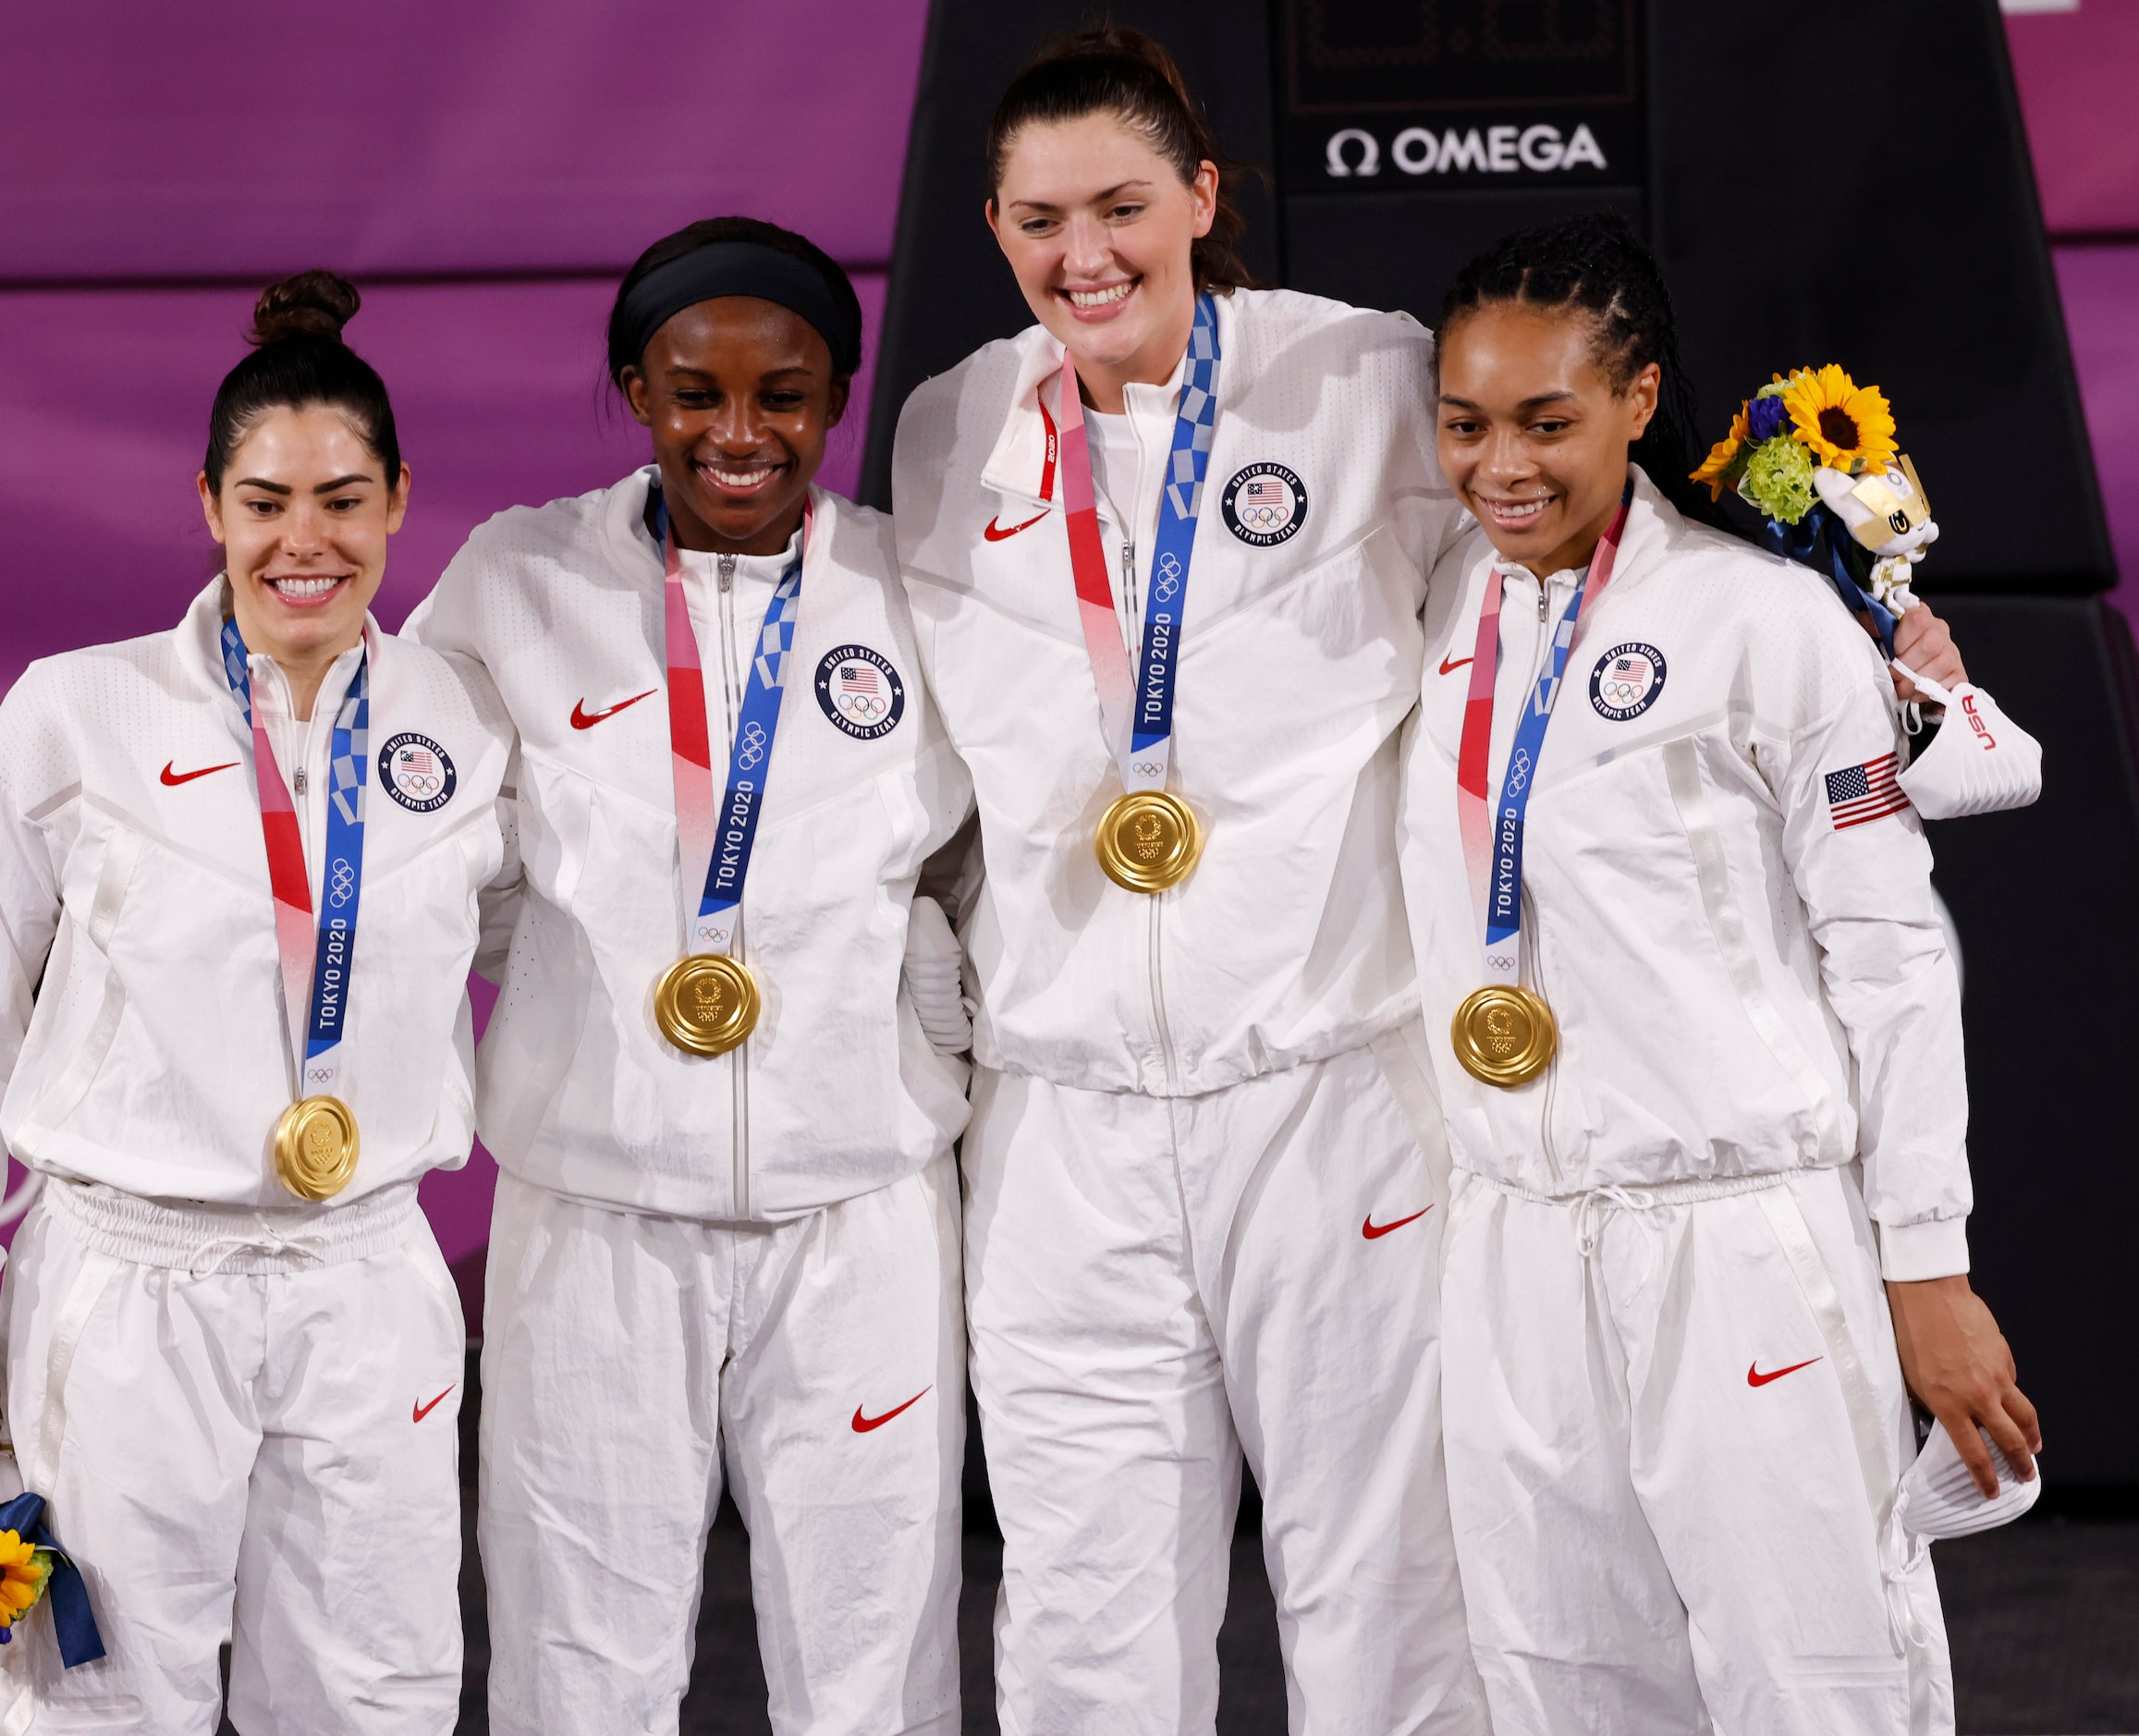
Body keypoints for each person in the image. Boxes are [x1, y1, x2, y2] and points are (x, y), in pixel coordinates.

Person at [888, 30, 1489, 1731]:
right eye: (1037, 220)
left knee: (1385, 1585)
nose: (1084, 255)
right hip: (1062, 1122)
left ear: (1203, 195)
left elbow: (1573, 534)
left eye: (1123, 206)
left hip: (1326, 1097)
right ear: (995, 230)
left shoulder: (1363, 382)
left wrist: (1873, 624)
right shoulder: (952, 431)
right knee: (1082, 1607)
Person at [1399, 212, 2038, 1734]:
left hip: (1741, 1236)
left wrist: (1924, 1266)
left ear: (1636, 399)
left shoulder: (1763, 618)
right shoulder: (1439, 608)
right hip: (1513, 1245)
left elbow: (1888, 955)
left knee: (1809, 1678)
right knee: (1557, 1682)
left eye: (1547, 421)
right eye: (1465, 423)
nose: (1502, 466)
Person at [0, 271, 513, 1732]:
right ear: (209, 503)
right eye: (266, 501)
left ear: (402, 499)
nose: (307, 542)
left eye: (346, 500)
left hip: (368, 1275)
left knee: (377, 1695)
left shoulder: (464, 722)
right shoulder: (77, 711)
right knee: (100, 1695)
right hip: (126, 1282)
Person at [404, 217, 975, 1736]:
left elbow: (985, 859)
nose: (739, 432)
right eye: (693, 392)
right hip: (592, 1213)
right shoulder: (516, 580)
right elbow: (414, 849)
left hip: (857, 1209)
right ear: (632, 390)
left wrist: (922, 1039)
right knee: (577, 1655)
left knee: (871, 1657)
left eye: (782, 393)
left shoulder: (914, 589)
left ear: (838, 397)